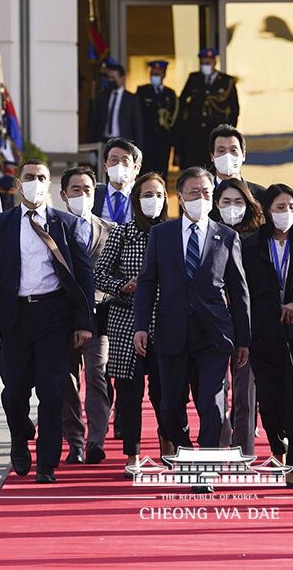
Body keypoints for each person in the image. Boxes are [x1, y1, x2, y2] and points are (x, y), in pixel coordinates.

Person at [0, 160, 94, 484]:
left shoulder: (66, 224)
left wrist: (84, 322)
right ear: (17, 184)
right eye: (30, 177)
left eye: (42, 177)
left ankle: (47, 463)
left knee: (51, 390)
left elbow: (83, 274)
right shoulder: (1, 224)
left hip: (54, 315)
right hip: (14, 317)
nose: (36, 182)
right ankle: (19, 438)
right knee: (14, 392)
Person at [132, 167, 250, 492]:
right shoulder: (162, 234)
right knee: (170, 407)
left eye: (207, 192)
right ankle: (186, 455)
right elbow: (147, 282)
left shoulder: (227, 236)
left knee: (211, 404)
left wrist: (243, 340)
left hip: (214, 334)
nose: (201, 198)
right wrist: (141, 326)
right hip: (171, 331)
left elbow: (239, 292)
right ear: (181, 197)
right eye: (194, 192)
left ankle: (206, 468)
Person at [95, 172, 169, 477]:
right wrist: (124, 285)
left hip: (166, 320)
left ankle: (170, 447)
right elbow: (99, 275)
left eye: (160, 195)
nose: (154, 201)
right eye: (147, 195)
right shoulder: (121, 233)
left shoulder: (174, 232)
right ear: (136, 200)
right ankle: (133, 454)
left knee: (166, 390)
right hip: (126, 320)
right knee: (129, 391)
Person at [243, 184, 293, 488]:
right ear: (268, 210)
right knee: (268, 400)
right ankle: (277, 449)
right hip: (263, 332)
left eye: (291, 207)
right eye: (280, 208)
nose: (286, 214)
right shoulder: (251, 245)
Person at [58, 166, 115, 465]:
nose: (82, 195)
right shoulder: (52, 229)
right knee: (68, 381)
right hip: (63, 318)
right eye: (76, 190)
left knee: (97, 375)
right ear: (64, 194)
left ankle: (96, 440)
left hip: (100, 318)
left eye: (87, 189)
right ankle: (75, 442)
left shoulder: (111, 230)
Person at [210, 177, 263, 454]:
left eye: (238, 202)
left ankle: (245, 450)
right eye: (226, 202)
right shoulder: (207, 235)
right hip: (215, 324)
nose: (232, 207)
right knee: (218, 392)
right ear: (216, 205)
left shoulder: (258, 239)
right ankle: (220, 445)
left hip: (249, 325)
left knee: (245, 393)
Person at [175, 49, 240, 170]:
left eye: (208, 63)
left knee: (215, 169)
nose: (205, 66)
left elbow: (234, 109)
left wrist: (228, 132)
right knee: (194, 169)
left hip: (215, 132)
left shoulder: (226, 81)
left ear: (214, 62)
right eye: (203, 63)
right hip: (194, 133)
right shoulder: (194, 79)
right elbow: (182, 102)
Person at [136, 60, 179, 176]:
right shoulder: (142, 91)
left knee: (161, 174)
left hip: (163, 141)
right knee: (145, 174)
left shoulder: (170, 94)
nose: (154, 77)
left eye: (157, 74)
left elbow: (174, 122)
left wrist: (176, 148)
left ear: (164, 75)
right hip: (146, 141)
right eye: (152, 74)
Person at [87, 63, 143, 147]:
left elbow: (137, 125)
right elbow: (94, 122)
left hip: (123, 141)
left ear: (122, 78)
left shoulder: (131, 99)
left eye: (113, 78)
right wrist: (90, 146)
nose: (110, 80)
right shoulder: (102, 97)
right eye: (109, 78)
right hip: (104, 141)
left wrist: (138, 148)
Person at [208, 124, 266, 201]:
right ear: (212, 157)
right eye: (221, 151)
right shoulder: (204, 195)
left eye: (233, 150)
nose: (227, 155)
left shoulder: (261, 195)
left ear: (243, 155)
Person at [92, 138, 141, 225]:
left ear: (135, 168)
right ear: (105, 167)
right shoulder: (93, 194)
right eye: (113, 160)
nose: (119, 164)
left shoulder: (141, 195)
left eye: (125, 160)